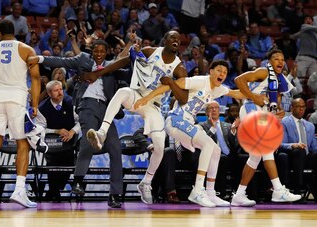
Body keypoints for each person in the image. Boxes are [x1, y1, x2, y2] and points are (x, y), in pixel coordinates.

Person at [83, 30, 188, 204]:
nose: (176, 40)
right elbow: (123, 61)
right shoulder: (149, 51)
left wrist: (171, 83)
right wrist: (98, 73)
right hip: (137, 95)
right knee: (122, 92)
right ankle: (102, 132)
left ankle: (146, 182)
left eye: (179, 38)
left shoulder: (179, 68)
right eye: (172, 37)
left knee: (160, 147)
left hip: (154, 107)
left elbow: (183, 99)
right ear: (165, 40)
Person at [134, 60, 246, 207]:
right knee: (207, 144)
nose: (222, 74)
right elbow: (172, 84)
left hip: (187, 123)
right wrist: (147, 98)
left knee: (215, 150)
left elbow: (236, 93)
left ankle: (211, 193)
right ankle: (198, 190)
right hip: (175, 120)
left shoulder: (217, 89)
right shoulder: (199, 81)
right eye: (219, 70)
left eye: (225, 72)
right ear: (211, 71)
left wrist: (257, 96)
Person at [28, 39, 124, 208]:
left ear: (107, 52)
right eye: (96, 51)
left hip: (107, 110)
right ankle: (78, 181)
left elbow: (127, 64)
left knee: (116, 148)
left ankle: (115, 194)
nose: (99, 54)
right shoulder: (83, 60)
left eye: (102, 51)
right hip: (87, 105)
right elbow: (61, 61)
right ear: (92, 51)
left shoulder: (111, 65)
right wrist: (40, 59)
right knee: (87, 140)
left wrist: (134, 49)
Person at [0, 20, 41, 208]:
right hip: (17, 98)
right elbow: (36, 78)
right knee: (23, 143)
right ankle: (19, 190)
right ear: (15, 32)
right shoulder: (27, 49)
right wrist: (35, 104)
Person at [232, 49, 302, 206]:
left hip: (261, 113)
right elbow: (238, 80)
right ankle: (278, 190)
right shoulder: (263, 71)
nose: (280, 61)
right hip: (250, 108)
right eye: (276, 58)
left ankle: (239, 195)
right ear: (269, 62)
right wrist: (253, 96)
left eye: (282, 59)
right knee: (267, 148)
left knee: (256, 156)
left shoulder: (279, 80)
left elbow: (272, 103)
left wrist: (278, 112)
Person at [35, 80, 81, 201]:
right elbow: (40, 129)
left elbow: (80, 121)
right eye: (56, 91)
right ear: (49, 93)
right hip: (52, 142)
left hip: (69, 140)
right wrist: (56, 131)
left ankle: (53, 191)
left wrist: (72, 132)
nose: (60, 93)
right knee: (53, 165)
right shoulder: (42, 108)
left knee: (69, 164)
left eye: (61, 89)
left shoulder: (71, 103)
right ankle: (54, 192)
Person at [200, 101, 241, 199]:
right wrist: (213, 128)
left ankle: (240, 193)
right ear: (206, 112)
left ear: (219, 111)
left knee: (244, 158)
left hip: (229, 154)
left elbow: (235, 144)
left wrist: (233, 130)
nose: (214, 110)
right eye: (211, 108)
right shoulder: (201, 126)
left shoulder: (227, 125)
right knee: (222, 158)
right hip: (212, 155)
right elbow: (203, 141)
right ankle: (220, 192)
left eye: (216, 108)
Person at [278, 98, 317, 198]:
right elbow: (280, 144)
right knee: (300, 151)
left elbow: (314, 147)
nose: (301, 109)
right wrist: (293, 145)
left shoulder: (310, 125)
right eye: (298, 107)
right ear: (292, 108)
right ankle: (297, 189)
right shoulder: (284, 122)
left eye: (303, 107)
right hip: (291, 156)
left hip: (306, 157)